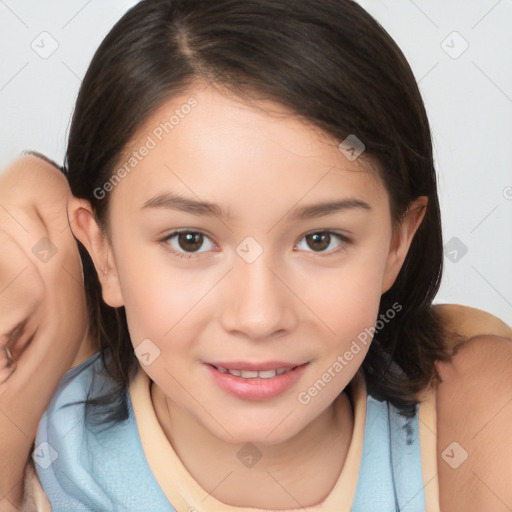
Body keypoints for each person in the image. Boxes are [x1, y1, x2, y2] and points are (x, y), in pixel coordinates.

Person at [1, 1, 512, 510]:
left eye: (320, 240)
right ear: (103, 253)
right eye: (190, 240)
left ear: (397, 244)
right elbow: (31, 201)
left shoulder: (471, 427)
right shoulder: (43, 459)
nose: (259, 317)